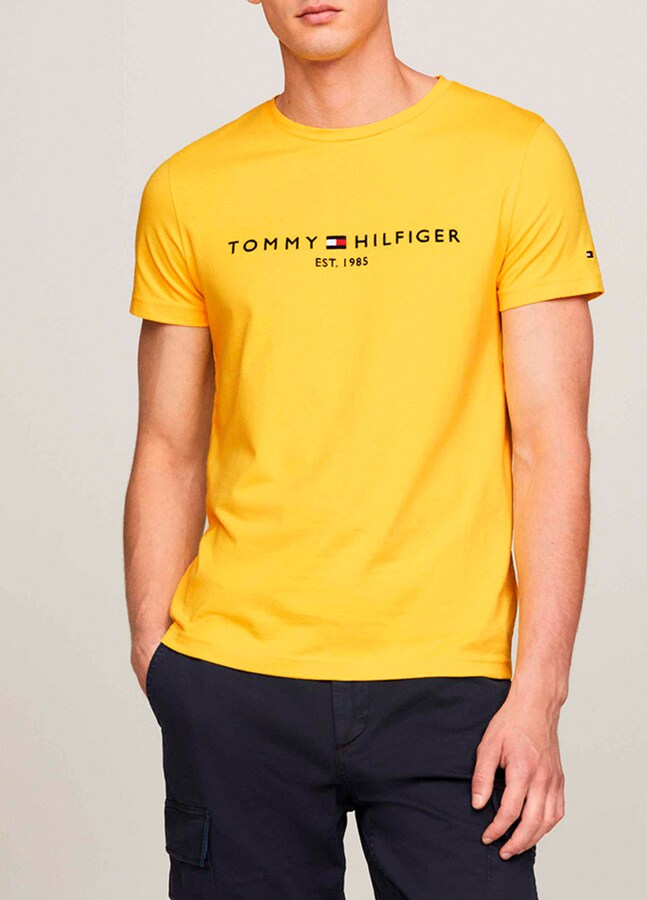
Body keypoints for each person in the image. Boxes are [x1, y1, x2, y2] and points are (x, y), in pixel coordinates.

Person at [124, 1, 605, 897]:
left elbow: (550, 446)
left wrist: (538, 696)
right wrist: (160, 661)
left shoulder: (513, 156)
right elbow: (167, 445)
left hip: (450, 683)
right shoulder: (189, 187)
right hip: (236, 680)